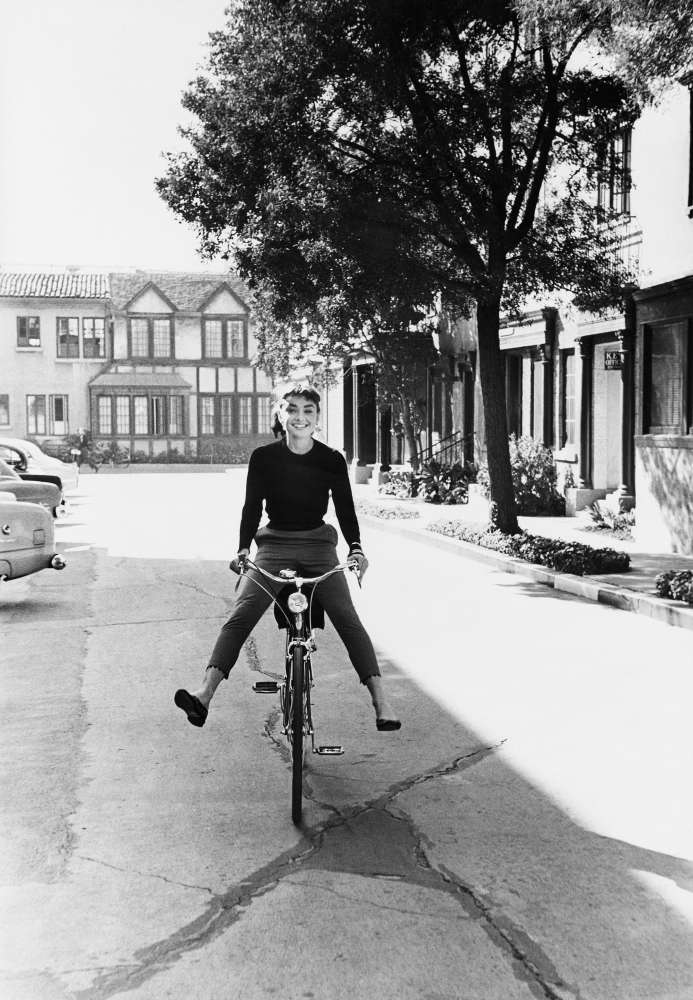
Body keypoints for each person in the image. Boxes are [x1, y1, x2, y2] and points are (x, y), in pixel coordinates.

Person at [174, 384, 400, 732]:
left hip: (319, 547)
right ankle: (204, 694)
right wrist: (243, 548)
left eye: (308, 410)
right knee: (241, 614)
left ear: (317, 418)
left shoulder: (331, 460)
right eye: (292, 409)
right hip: (274, 545)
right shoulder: (264, 458)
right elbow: (252, 507)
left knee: (346, 616)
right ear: (282, 414)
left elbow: (344, 509)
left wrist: (356, 548)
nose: (300, 417)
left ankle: (381, 702)